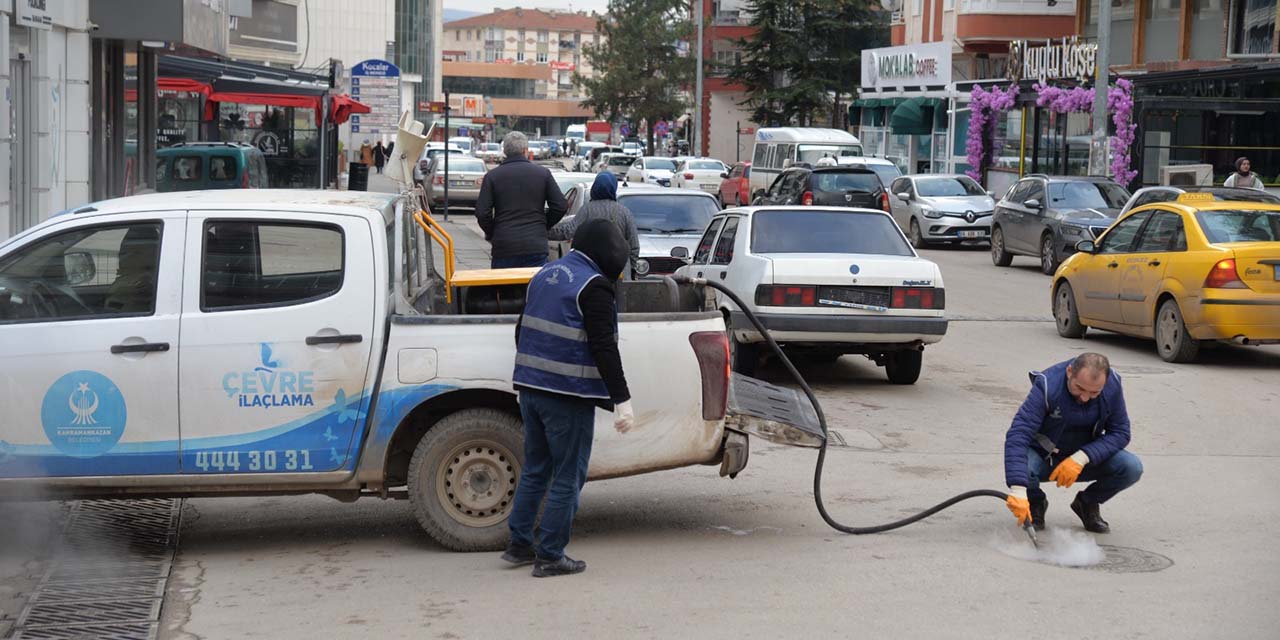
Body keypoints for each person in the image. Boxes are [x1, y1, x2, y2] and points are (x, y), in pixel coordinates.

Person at [503, 219, 635, 577]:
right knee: (567, 475)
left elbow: (521, 330)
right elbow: (603, 346)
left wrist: (531, 380)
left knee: (536, 469)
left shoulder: (544, 274)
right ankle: (550, 555)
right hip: (567, 395)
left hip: (530, 390)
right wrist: (622, 399)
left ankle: (518, 544)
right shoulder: (593, 286)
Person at [1003, 353, 1142, 534]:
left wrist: (1082, 457)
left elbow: (1120, 432)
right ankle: (1035, 502)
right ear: (1070, 372)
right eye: (1079, 388)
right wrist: (1019, 489)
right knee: (1023, 469)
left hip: (1083, 461)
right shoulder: (1048, 386)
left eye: (1094, 393)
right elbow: (1019, 434)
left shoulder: (1111, 386)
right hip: (1045, 458)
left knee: (1131, 467)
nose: (1085, 397)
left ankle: (1087, 503)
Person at [475, 131, 569, 268]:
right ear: (526, 150)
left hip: (504, 245)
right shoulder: (543, 174)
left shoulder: (492, 177)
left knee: (505, 288)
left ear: (504, 151)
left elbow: (482, 213)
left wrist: (493, 232)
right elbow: (560, 205)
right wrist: (542, 225)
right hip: (535, 245)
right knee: (534, 288)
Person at [548, 172, 640, 278]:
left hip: (592, 271)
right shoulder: (624, 212)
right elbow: (634, 245)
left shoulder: (586, 210)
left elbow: (568, 232)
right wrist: (632, 268)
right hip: (620, 271)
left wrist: (541, 230)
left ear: (594, 188)